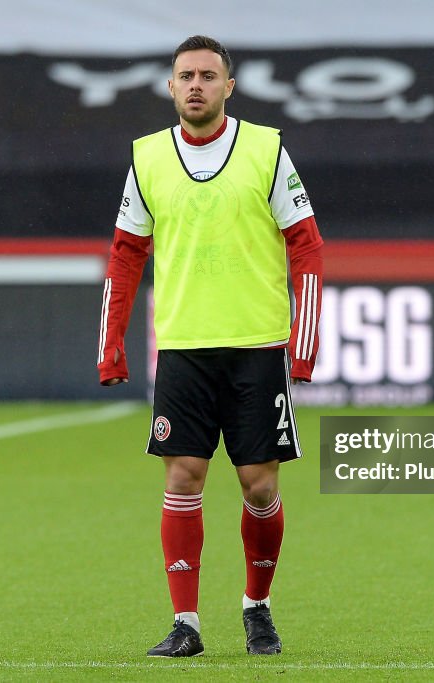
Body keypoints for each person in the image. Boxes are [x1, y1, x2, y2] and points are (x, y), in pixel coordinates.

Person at [97, 34, 323, 658]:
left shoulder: (266, 149)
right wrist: (111, 344)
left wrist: (302, 346)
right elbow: (125, 254)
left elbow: (305, 243)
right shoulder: (146, 158)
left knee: (258, 487)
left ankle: (257, 607)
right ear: (170, 87)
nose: (195, 85)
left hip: (255, 345)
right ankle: (186, 624)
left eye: (207, 75)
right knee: (184, 476)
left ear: (229, 86)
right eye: (184, 76)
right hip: (183, 347)